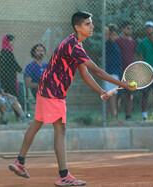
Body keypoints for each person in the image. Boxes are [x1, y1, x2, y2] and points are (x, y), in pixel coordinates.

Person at [8, 11, 135, 186]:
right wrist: (122, 83)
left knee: (37, 122)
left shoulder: (74, 43)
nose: (92, 27)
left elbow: (85, 73)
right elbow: (96, 70)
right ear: (77, 27)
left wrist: (100, 90)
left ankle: (19, 163)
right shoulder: (74, 45)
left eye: (91, 23)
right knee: (60, 129)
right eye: (88, 24)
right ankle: (63, 175)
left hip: (47, 87)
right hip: (54, 90)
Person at [115, 21, 137, 120]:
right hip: (120, 70)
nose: (130, 30)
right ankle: (115, 115)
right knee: (118, 94)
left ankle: (128, 115)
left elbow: (133, 55)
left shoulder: (132, 41)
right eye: (128, 28)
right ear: (122, 29)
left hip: (130, 72)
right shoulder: (118, 40)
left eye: (131, 28)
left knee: (129, 94)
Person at [105, 24, 122, 120]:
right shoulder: (107, 43)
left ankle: (107, 117)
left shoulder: (115, 44)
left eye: (116, 35)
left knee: (110, 96)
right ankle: (114, 117)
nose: (114, 37)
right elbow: (105, 30)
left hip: (115, 73)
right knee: (112, 96)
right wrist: (110, 29)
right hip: (110, 73)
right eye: (113, 35)